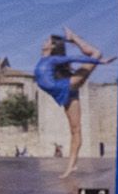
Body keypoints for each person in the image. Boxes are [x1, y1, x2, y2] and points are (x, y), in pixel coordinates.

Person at [35, 29, 113, 178]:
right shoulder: (45, 60)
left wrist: (99, 62)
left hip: (67, 85)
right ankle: (73, 165)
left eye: (47, 41)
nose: (44, 42)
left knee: (96, 54)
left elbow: (76, 57)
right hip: (65, 92)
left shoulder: (52, 59)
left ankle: (75, 37)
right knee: (75, 130)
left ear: (52, 46)